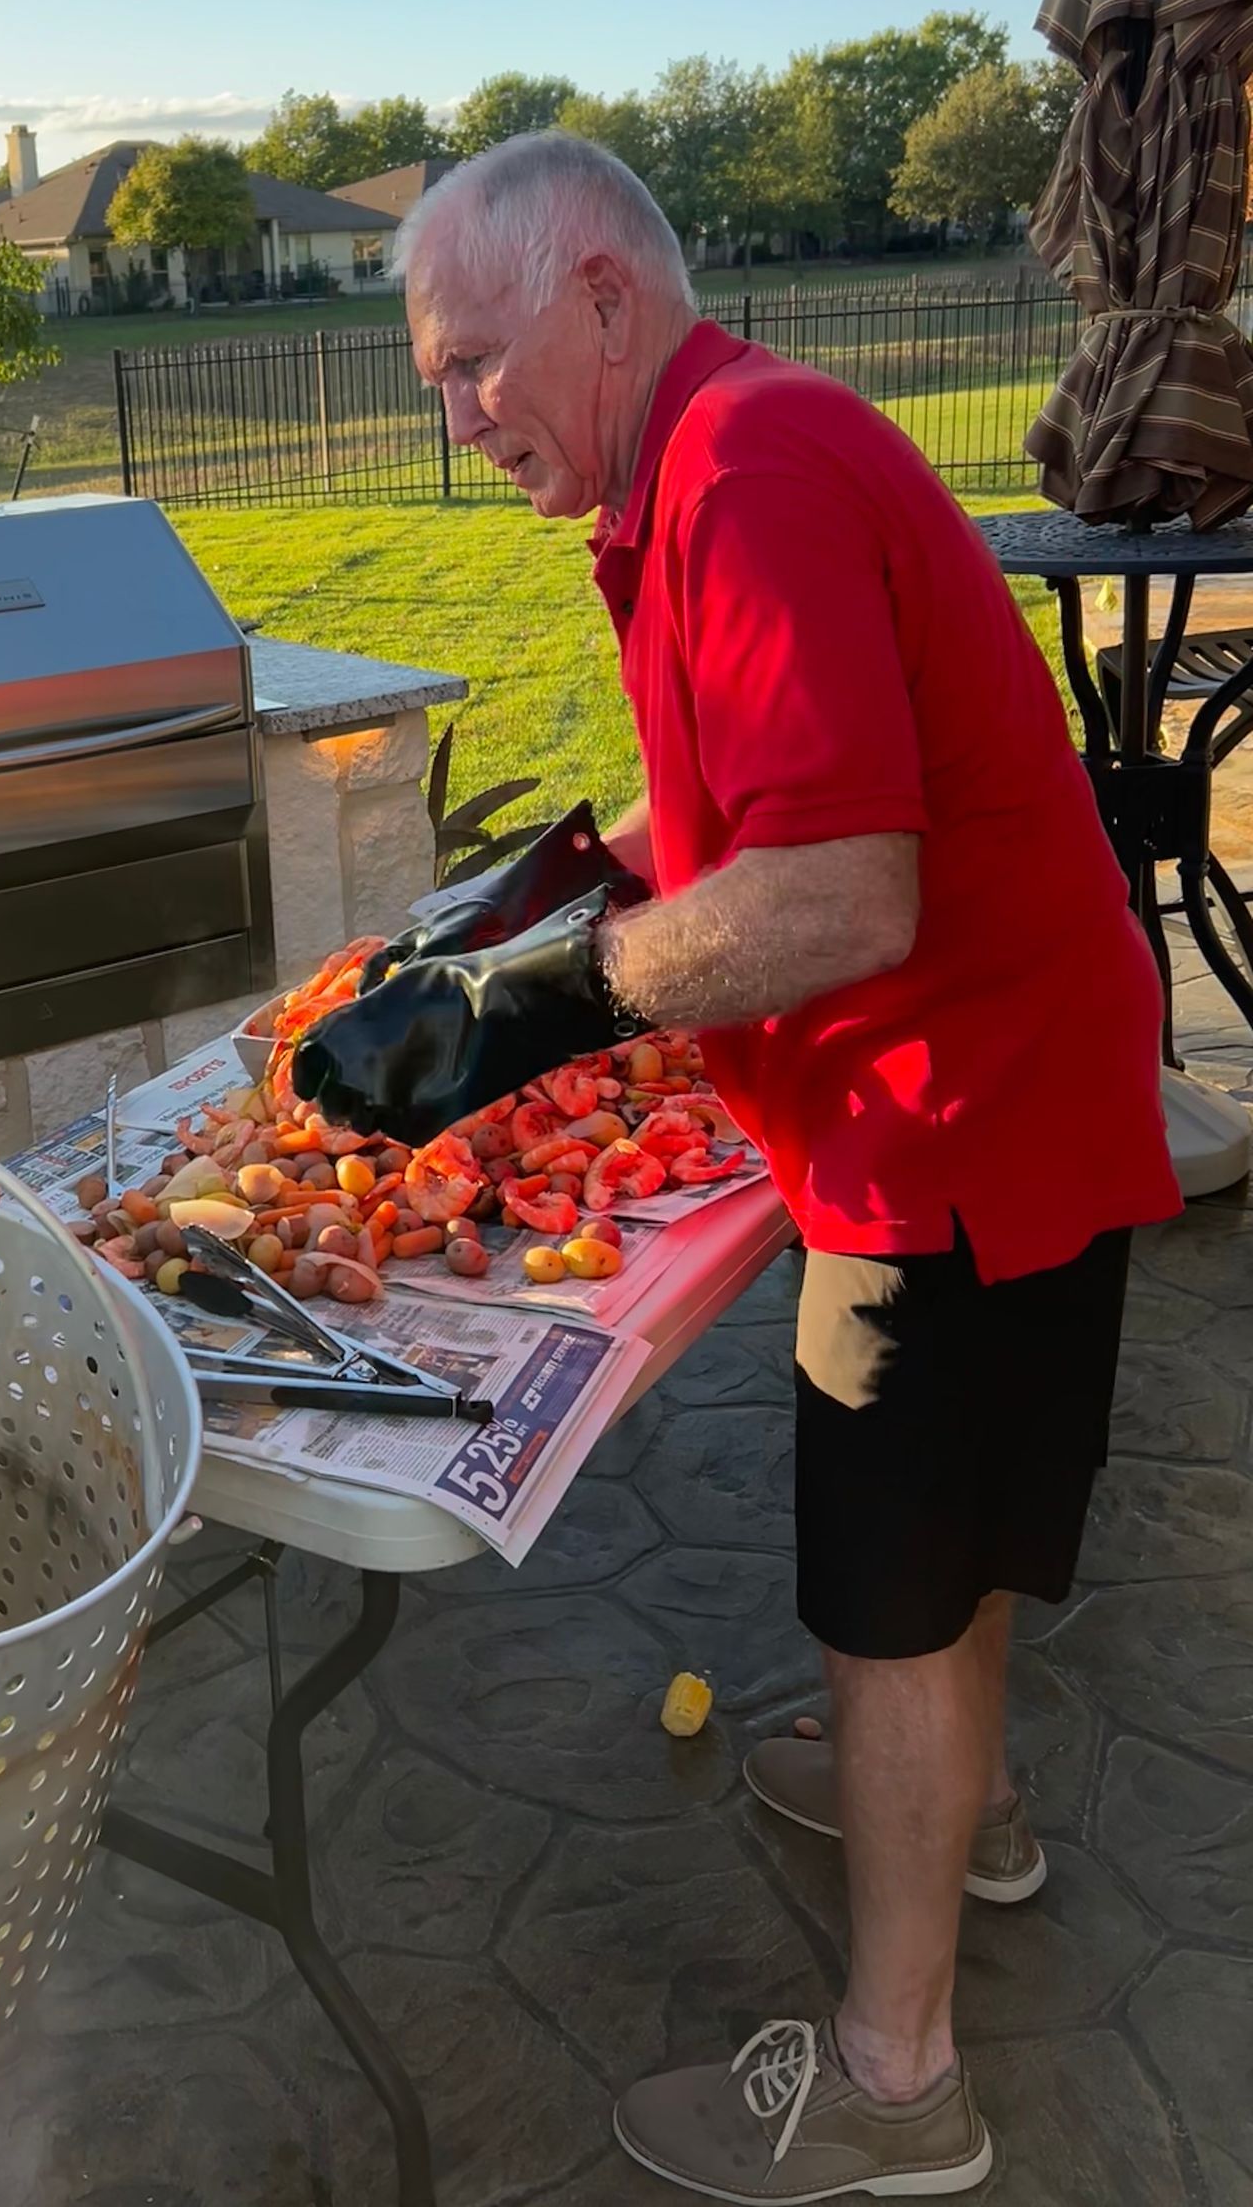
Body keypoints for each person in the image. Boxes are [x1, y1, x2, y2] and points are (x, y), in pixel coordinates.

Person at [293, 130, 1182, 2201]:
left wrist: (532, 1007)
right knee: (942, 1535)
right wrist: (542, 899)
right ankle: (977, 1808)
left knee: (888, 1586)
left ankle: (898, 2083)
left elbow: (846, 891)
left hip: (952, 1114)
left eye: (473, 360)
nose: (457, 417)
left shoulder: (749, 470)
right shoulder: (720, 448)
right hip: (1004, 1087)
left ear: (605, 295)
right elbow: (773, 806)